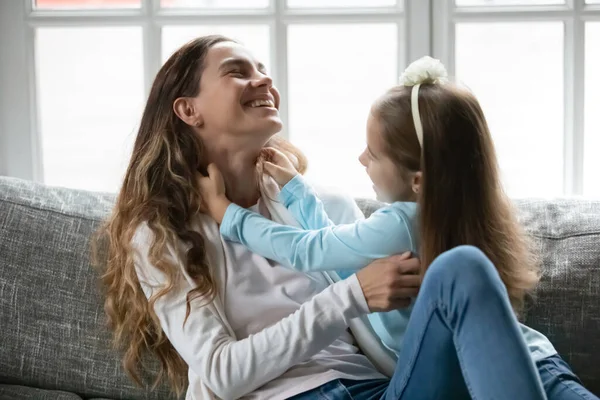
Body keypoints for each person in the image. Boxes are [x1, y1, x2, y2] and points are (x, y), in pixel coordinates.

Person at [95, 35, 598, 400]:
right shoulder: (160, 234)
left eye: (263, 68)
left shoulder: (320, 202)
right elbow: (222, 373)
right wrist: (351, 293)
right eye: (238, 71)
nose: (263, 79)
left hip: (382, 391)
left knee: (460, 269)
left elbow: (392, 318)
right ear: (188, 110)